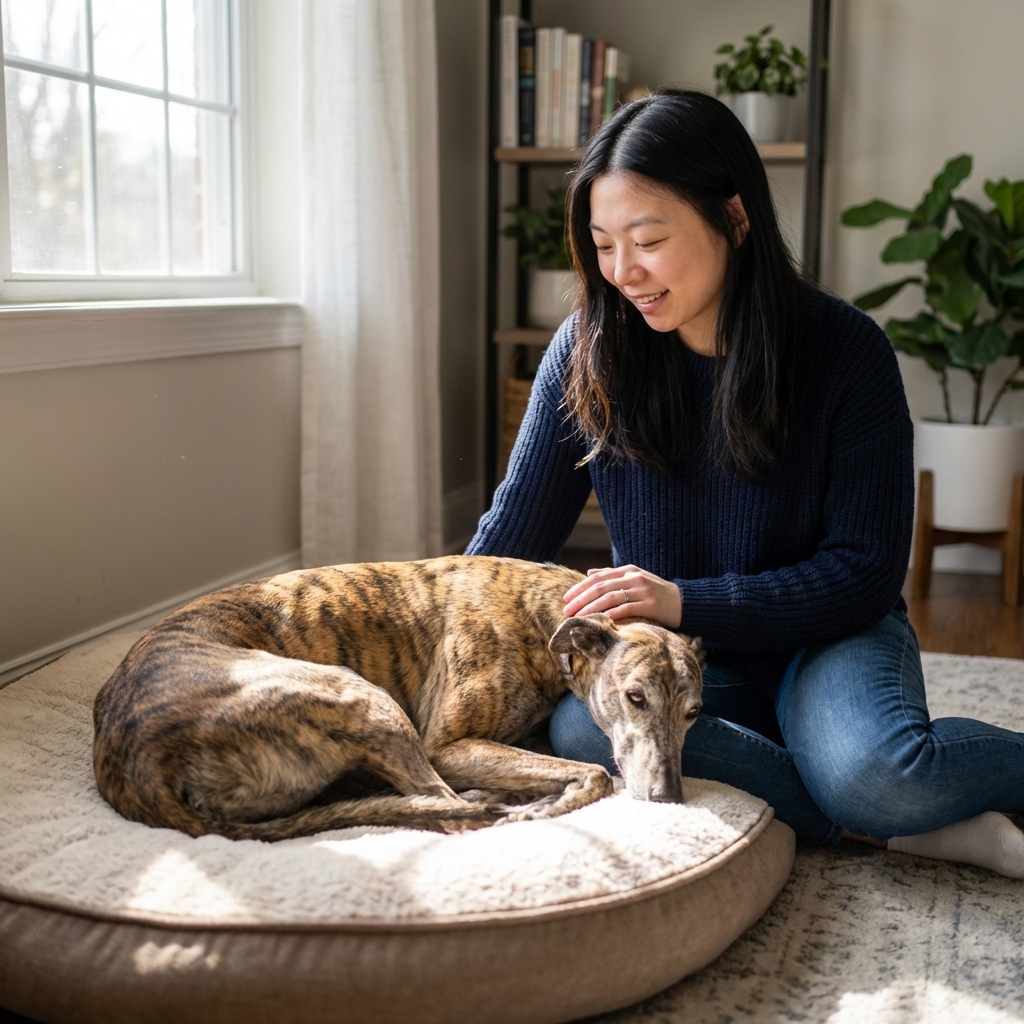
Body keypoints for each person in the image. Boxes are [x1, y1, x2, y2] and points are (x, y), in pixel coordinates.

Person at [467, 90, 1024, 878]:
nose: (622, 271)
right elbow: (507, 546)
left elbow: (864, 572)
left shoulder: (846, 351)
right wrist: (416, 649)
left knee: (878, 771)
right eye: (601, 244)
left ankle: (875, 799)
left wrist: (684, 602)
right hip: (684, 667)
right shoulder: (589, 348)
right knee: (581, 731)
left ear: (733, 218)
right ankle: (897, 828)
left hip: (828, 637)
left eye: (648, 240)